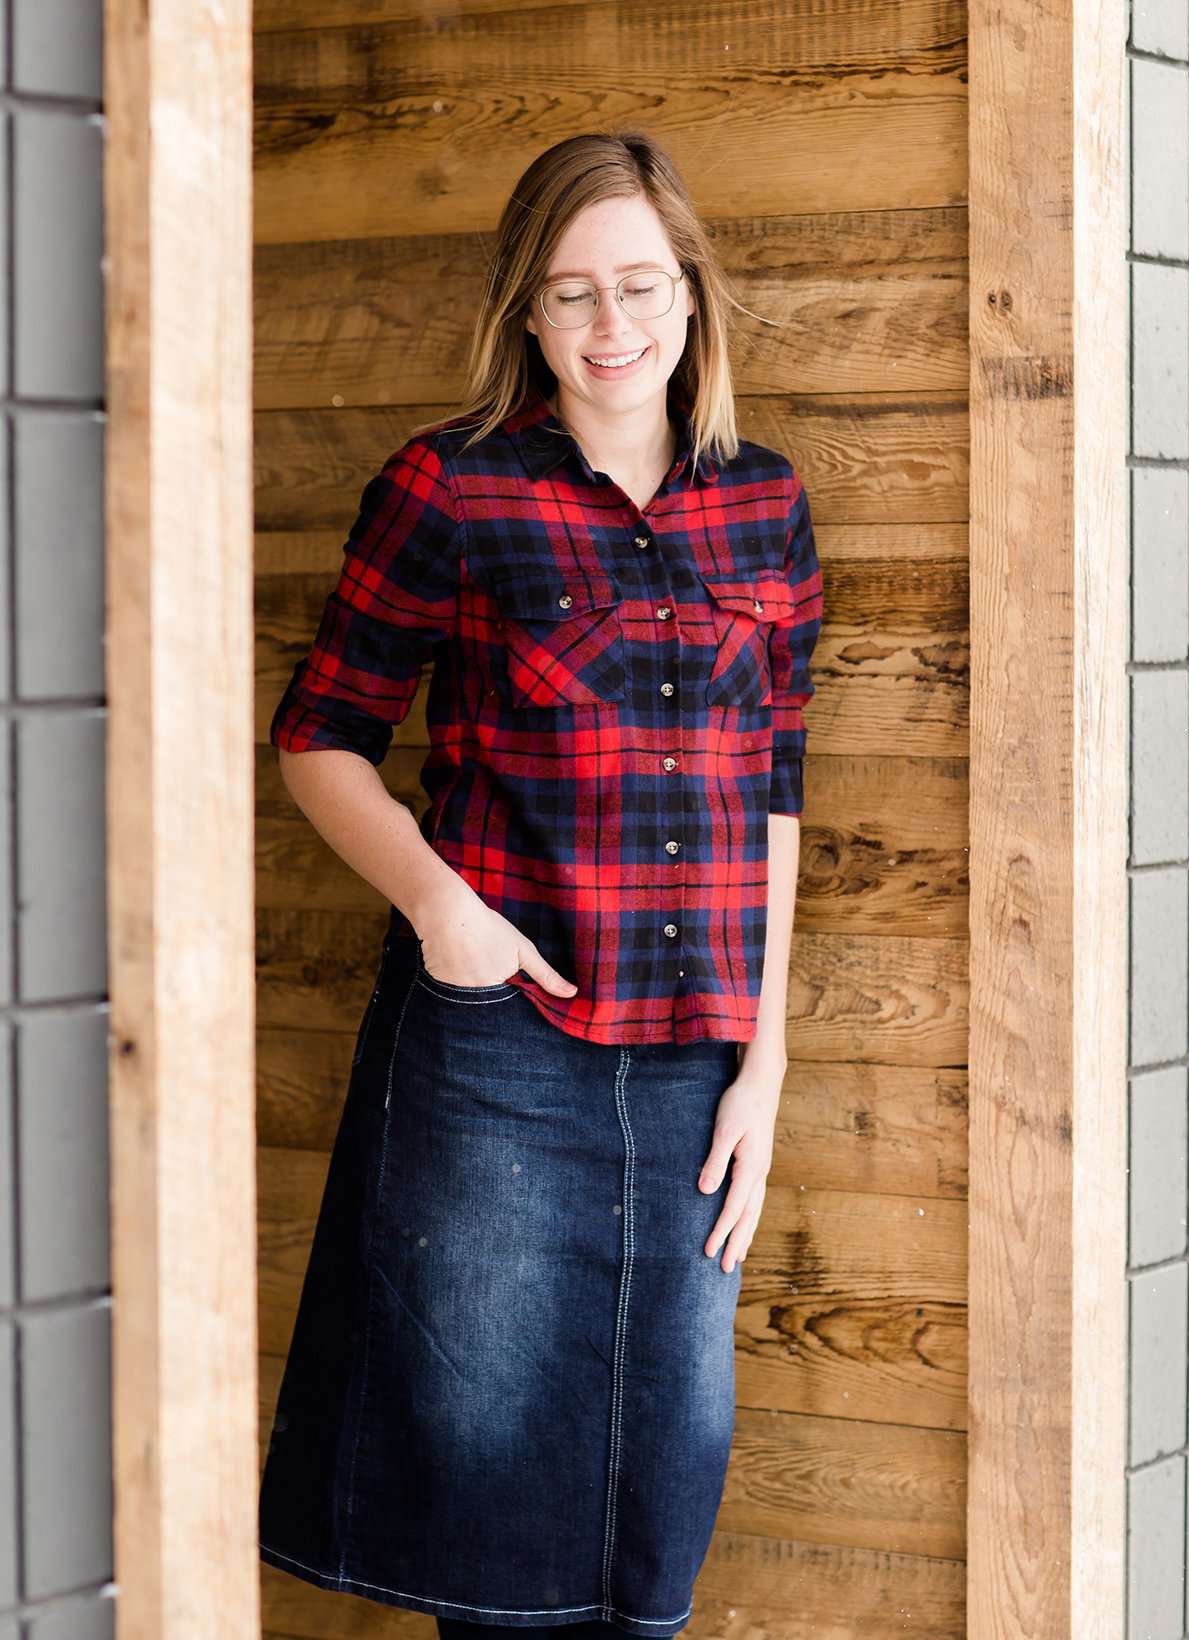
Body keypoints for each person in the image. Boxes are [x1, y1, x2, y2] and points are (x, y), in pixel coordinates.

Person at [257, 128, 824, 1638]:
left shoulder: (763, 506)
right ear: (528, 311)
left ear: (692, 298)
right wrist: (444, 910)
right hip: (501, 1051)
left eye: (641, 286)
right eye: (573, 295)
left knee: (660, 1503)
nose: (612, 327)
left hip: (702, 1060)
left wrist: (767, 1060)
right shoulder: (453, 489)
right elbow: (319, 740)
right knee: (496, 1511)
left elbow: (776, 788)